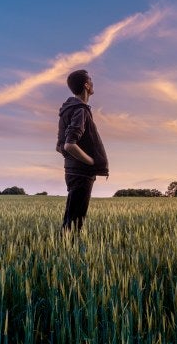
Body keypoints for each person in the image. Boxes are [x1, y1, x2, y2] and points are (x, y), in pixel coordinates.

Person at [56, 69, 109, 232]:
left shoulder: (68, 110)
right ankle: (66, 253)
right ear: (86, 85)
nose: (93, 83)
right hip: (81, 172)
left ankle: (63, 251)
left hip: (72, 170)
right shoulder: (80, 110)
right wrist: (91, 161)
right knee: (75, 222)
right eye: (91, 80)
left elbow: (60, 145)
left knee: (71, 218)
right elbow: (69, 144)